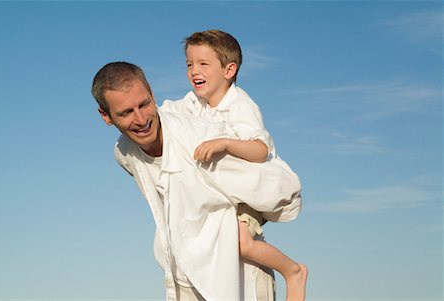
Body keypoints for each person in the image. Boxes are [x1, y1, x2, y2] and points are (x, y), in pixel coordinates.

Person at [91, 61, 302, 300]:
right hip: (185, 280)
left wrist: (246, 225)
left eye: (144, 104)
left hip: (240, 278)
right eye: (126, 112)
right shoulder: (124, 153)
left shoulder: (198, 140)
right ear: (105, 116)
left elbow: (279, 184)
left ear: (152, 93)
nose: (141, 119)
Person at [162, 29, 308, 301]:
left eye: (203, 64)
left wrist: (225, 143)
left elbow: (260, 149)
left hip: (252, 191)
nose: (194, 71)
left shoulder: (239, 104)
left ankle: (293, 271)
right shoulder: (193, 103)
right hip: (227, 191)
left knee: (242, 244)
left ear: (229, 69)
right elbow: (168, 114)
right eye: (189, 64)